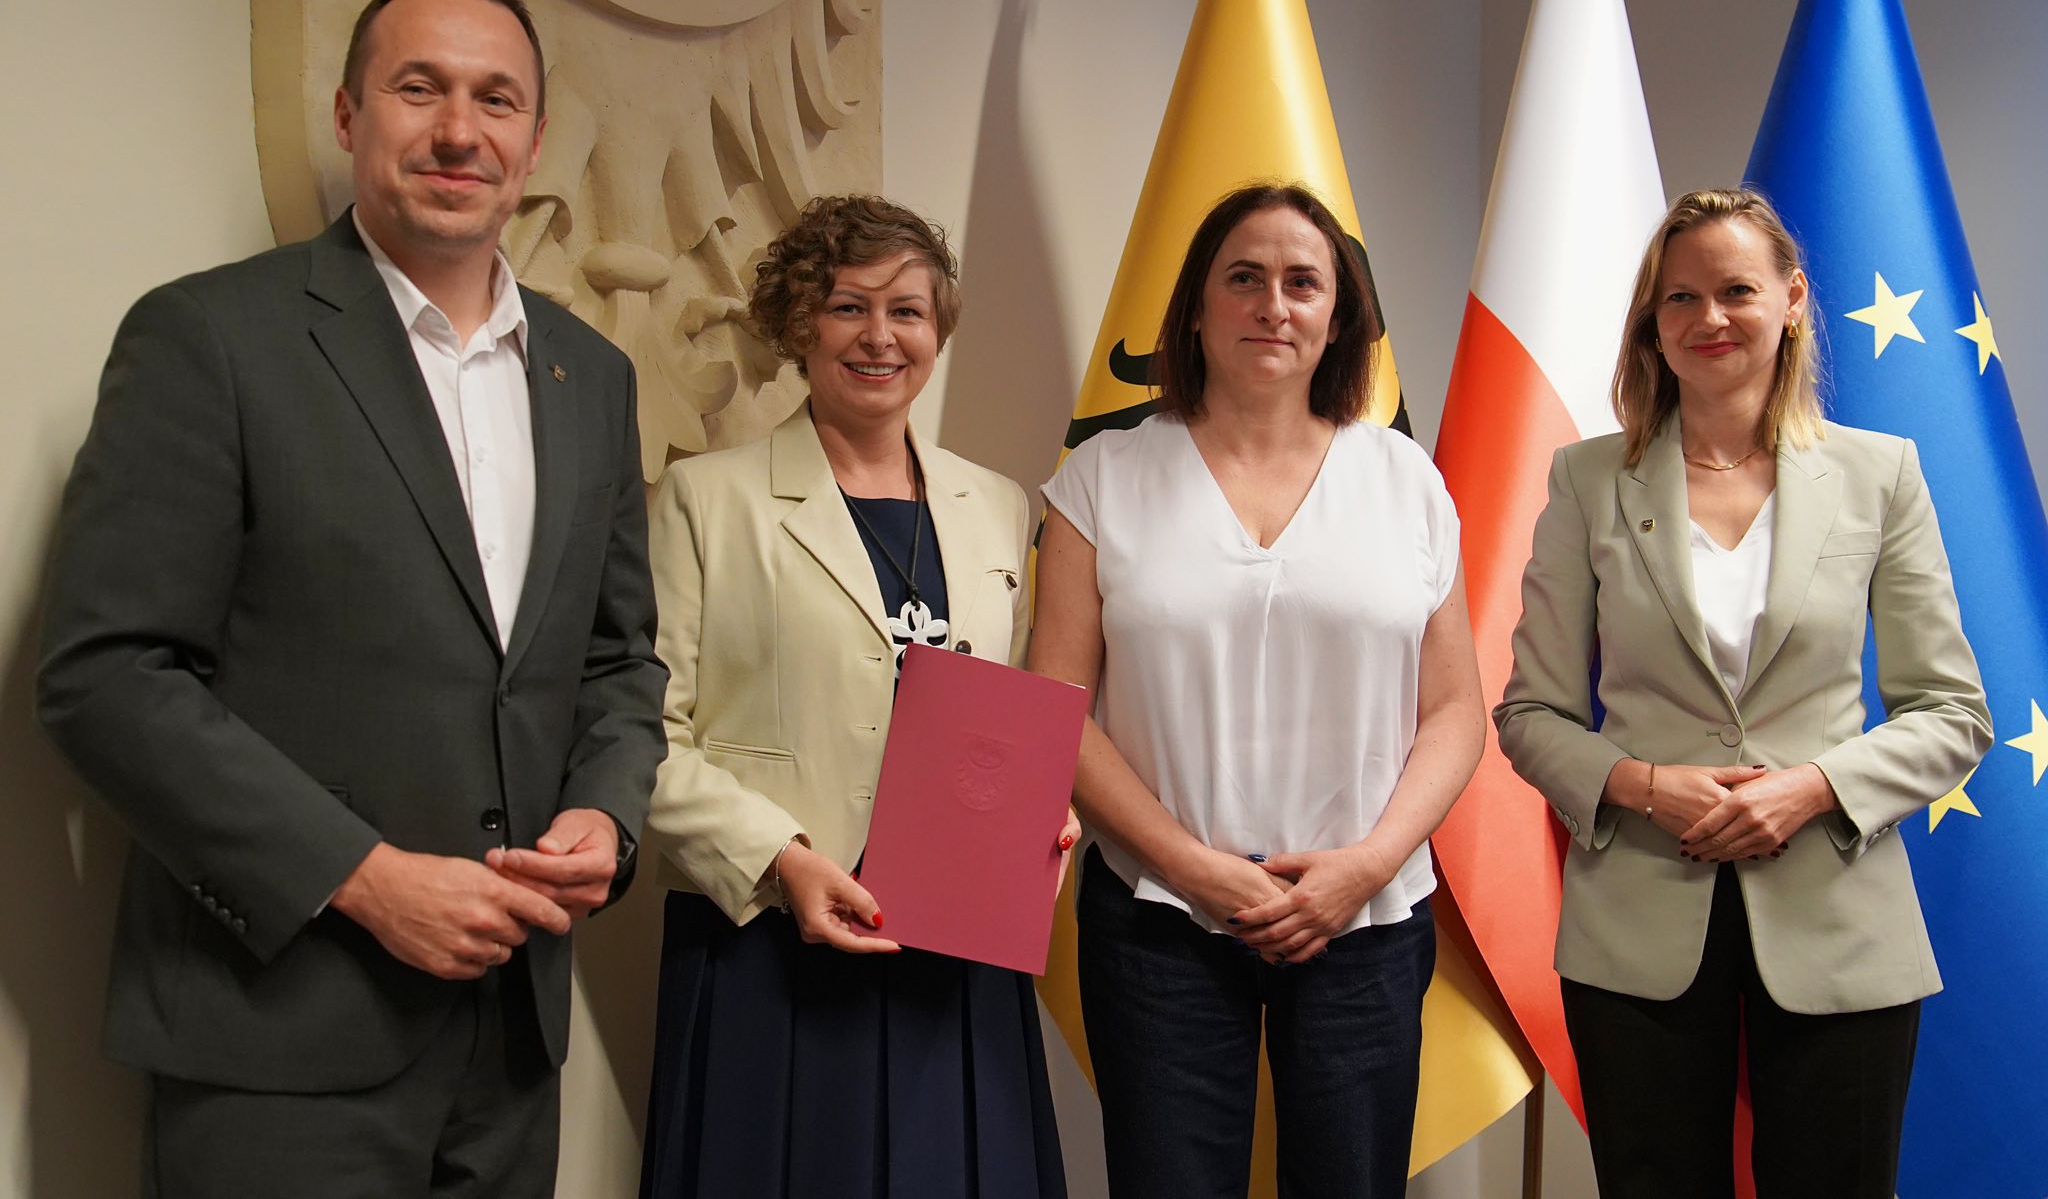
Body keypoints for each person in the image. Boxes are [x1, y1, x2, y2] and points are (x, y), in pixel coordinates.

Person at [36, 0, 667, 1198]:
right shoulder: (210, 337)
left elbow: (615, 660)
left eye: (495, 99)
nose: (458, 131)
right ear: (347, 114)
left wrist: (606, 816)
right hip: (276, 1037)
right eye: (417, 88)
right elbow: (107, 676)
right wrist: (362, 878)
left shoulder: (590, 377)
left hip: (512, 1046)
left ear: (534, 141)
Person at [1495, 187, 1991, 1199]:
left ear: (1792, 299)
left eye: (1736, 291)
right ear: (1652, 321)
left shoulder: (1880, 474)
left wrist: (1811, 788)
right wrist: (1642, 784)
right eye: (1679, 297)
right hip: (1636, 926)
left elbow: (1952, 711)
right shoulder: (1585, 480)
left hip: (1840, 926)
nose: (1708, 317)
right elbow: (1529, 715)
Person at [1030, 183, 1485, 1198]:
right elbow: (1057, 706)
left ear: (1338, 316)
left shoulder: (1406, 479)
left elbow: (1456, 710)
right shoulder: (1101, 477)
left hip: (1362, 916)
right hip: (1158, 917)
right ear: (1195, 308)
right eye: (1243, 278)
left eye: (1301, 282)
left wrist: (1367, 865)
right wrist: (1193, 867)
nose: (1272, 305)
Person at [637, 194, 1074, 1199]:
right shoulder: (707, 498)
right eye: (847, 306)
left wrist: (1045, 815)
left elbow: (1011, 721)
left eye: (906, 310)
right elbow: (643, 734)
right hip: (768, 940)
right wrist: (780, 859)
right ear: (800, 324)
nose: (880, 336)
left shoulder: (997, 505)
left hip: (954, 947)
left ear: (937, 330)